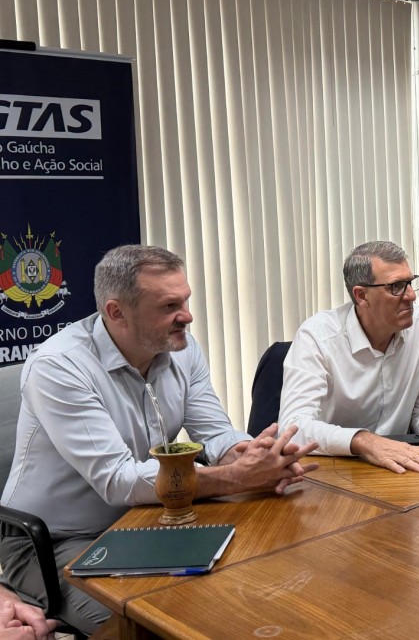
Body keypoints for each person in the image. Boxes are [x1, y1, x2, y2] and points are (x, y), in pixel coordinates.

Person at [0, 246, 318, 636]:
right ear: (117, 312)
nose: (187, 316)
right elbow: (118, 479)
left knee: (257, 587)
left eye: (185, 300)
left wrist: (247, 452)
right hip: (55, 542)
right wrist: (238, 477)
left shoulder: (180, 347)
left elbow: (214, 432)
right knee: (155, 625)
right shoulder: (59, 367)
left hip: (150, 518)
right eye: (169, 306)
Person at [279, 241, 419, 474]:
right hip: (335, 470)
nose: (412, 296)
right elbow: (293, 427)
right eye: (396, 286)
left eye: (410, 282)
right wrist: (364, 441)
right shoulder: (317, 336)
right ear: (361, 295)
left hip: (400, 466)